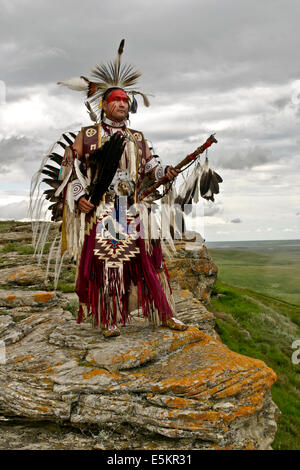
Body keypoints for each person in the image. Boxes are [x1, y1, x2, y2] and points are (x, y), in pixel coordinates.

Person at [54, 41, 188, 338]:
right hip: (105, 210)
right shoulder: (89, 135)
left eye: (126, 100)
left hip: (133, 207)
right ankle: (110, 318)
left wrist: (164, 171)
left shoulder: (137, 137)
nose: (123, 103)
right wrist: (79, 196)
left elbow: (150, 165)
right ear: (104, 104)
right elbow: (69, 165)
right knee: (110, 266)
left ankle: (164, 313)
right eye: (116, 99)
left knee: (152, 262)